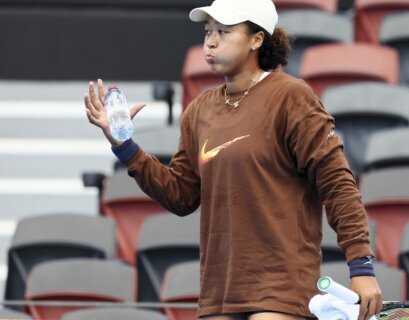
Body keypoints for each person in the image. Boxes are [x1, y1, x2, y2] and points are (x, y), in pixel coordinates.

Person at [84, 0, 382, 319]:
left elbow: (337, 185)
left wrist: (361, 266)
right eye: (208, 32)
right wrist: (125, 145)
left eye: (224, 32)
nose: (210, 41)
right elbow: (181, 196)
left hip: (283, 289)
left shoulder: (292, 97)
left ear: (257, 39)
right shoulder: (199, 110)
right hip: (219, 293)